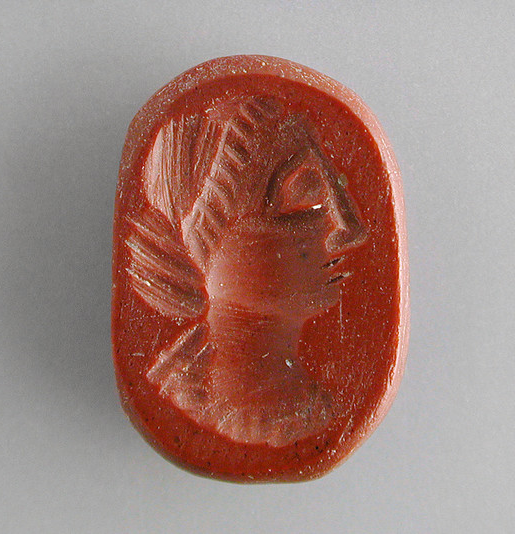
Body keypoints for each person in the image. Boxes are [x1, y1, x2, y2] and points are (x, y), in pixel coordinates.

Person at [126, 96, 366, 446]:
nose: (349, 229)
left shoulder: (314, 411)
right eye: (302, 191)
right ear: (202, 243)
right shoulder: (206, 411)